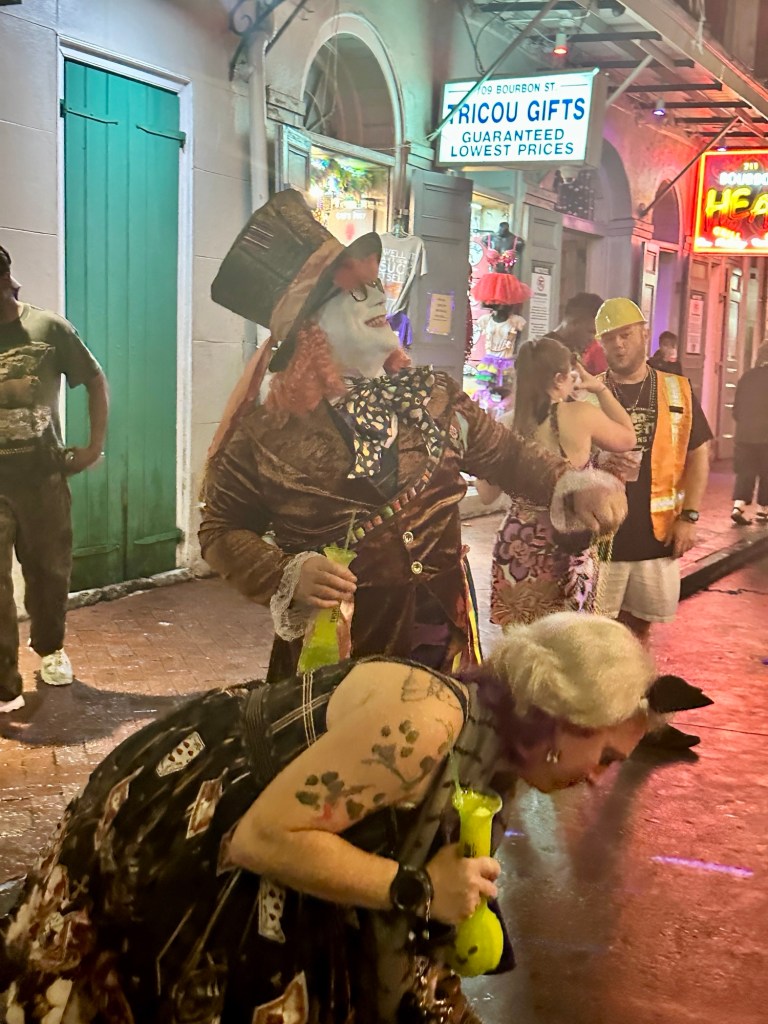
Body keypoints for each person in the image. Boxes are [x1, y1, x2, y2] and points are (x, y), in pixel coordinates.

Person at [0, 611, 711, 1024]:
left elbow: (417, 939)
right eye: (606, 757)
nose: (595, 778)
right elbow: (263, 838)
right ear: (565, 720)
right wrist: (419, 888)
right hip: (193, 823)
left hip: (263, 834)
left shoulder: (495, 758)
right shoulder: (427, 724)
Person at [199, 191, 626, 680]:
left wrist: (570, 484)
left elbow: (506, 456)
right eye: (358, 291)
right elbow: (220, 528)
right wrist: (286, 575)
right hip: (335, 653)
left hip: (438, 640)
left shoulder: (434, 396)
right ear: (309, 327)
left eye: (377, 283)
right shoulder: (265, 434)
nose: (381, 295)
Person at [592, 298, 713, 749]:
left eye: (625, 334)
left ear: (645, 334)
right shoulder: (589, 391)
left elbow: (698, 453)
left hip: (656, 531)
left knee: (639, 629)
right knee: (599, 633)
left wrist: (691, 515)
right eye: (608, 337)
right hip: (600, 537)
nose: (617, 344)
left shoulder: (676, 390)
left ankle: (639, 725)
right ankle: (602, 722)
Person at [0, 245, 109, 713]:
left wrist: (92, 447)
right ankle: (4, 679)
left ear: (7, 283)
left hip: (43, 478)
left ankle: (50, 648)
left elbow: (95, 379)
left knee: (48, 572)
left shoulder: (48, 328)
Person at [475, 337, 635, 625]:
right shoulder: (581, 415)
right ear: (560, 378)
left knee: (521, 650)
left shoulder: (506, 424)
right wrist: (599, 389)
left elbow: (486, 494)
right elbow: (627, 437)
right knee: (565, 645)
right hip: (565, 546)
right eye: (571, 376)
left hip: (515, 546)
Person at [730, 341, 768, 525]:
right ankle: (763, 510)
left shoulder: (746, 377)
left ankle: (738, 506)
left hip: (744, 434)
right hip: (766, 436)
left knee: (745, 472)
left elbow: (736, 410)